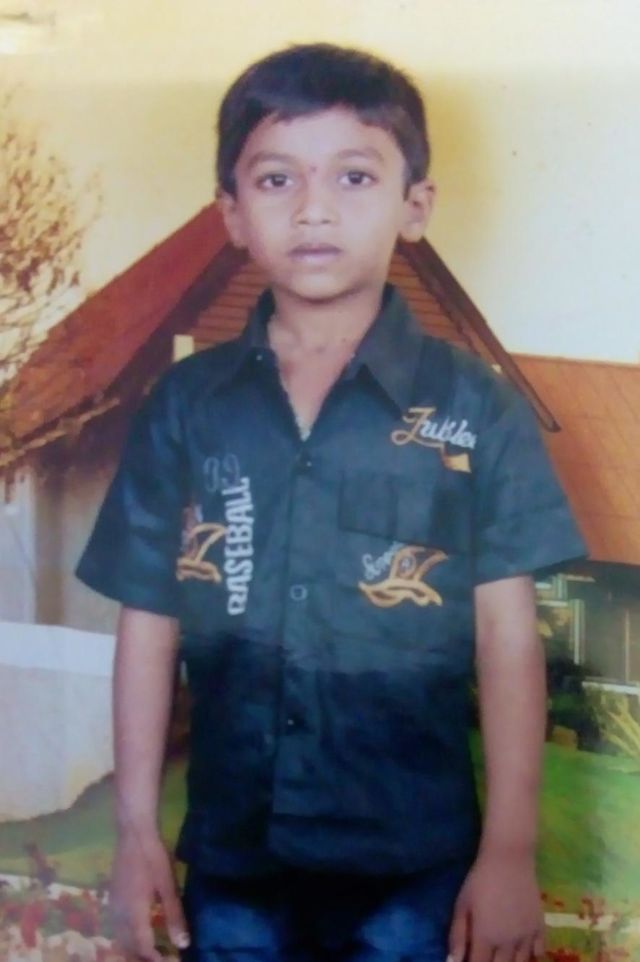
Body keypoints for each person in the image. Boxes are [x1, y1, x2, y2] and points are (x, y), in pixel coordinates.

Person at [77, 43, 586, 962]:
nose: (313, 209)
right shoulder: (186, 406)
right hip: (234, 856)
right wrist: (135, 829)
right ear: (232, 214)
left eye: (354, 176)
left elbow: (507, 635)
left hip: (414, 862)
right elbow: (148, 619)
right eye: (277, 179)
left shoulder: (478, 408)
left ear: (415, 205)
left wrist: (510, 851)